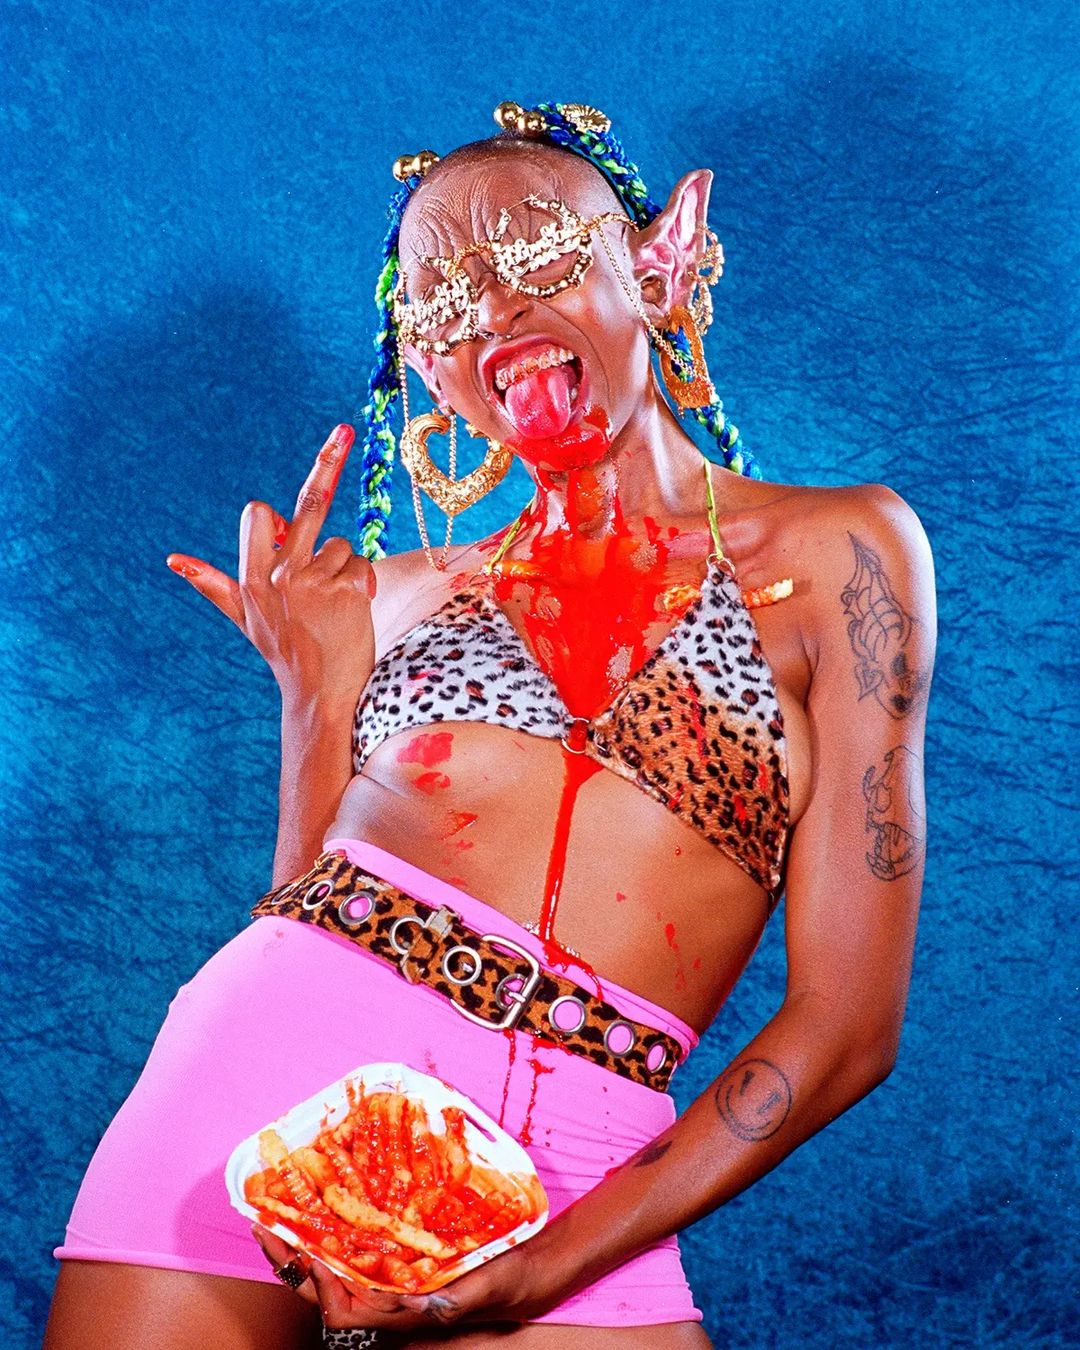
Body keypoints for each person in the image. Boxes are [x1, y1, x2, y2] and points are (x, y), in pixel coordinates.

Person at [44, 100, 936, 1350]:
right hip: (253, 1087)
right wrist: (313, 695)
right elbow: (304, 908)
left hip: (582, 1158)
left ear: (661, 265)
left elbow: (849, 1029)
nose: (493, 311)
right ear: (432, 374)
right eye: (444, 302)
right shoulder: (397, 595)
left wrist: (544, 1268)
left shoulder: (844, 554)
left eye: (530, 252)